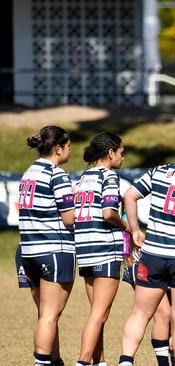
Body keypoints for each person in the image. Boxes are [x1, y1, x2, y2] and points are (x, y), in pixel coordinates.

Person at [119, 136, 175, 366]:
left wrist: (135, 230)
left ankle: (125, 361)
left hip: (153, 253)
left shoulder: (159, 171)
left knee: (139, 314)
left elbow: (129, 195)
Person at [17, 126, 75, 366]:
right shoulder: (57, 174)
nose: (70, 150)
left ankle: (54, 360)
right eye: (69, 146)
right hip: (53, 250)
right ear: (58, 148)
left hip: (28, 250)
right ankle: (42, 362)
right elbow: (69, 218)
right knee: (50, 316)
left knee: (45, 316)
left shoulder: (28, 172)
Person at [75, 132, 127, 366]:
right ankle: (84, 361)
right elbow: (108, 213)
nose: (123, 157)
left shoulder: (84, 177)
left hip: (85, 250)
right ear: (110, 153)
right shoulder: (109, 176)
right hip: (105, 249)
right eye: (121, 152)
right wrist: (126, 225)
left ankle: (100, 362)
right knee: (99, 315)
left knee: (98, 315)